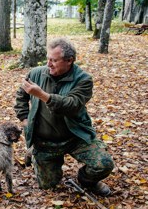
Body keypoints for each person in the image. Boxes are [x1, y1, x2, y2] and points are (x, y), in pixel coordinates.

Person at [14, 38, 114, 196]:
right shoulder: (36, 73)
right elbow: (21, 96)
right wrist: (25, 121)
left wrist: (42, 95)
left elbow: (71, 104)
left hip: (76, 137)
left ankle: (86, 180)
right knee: (48, 185)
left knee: (104, 164)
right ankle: (36, 156)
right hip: (45, 141)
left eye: (54, 60)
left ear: (69, 60)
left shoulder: (83, 79)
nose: (49, 64)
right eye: (48, 59)